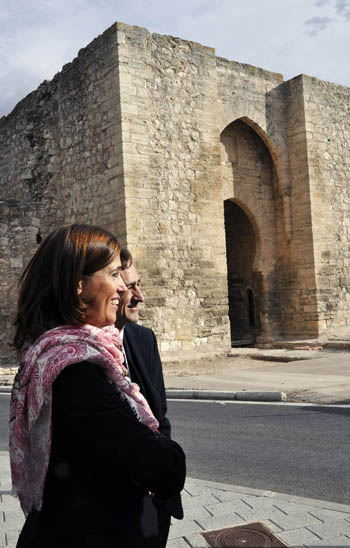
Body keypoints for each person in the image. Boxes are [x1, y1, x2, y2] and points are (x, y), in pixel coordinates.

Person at [9, 224, 186, 548]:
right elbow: (165, 467)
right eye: (114, 274)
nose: (124, 288)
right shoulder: (76, 373)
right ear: (80, 286)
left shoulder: (53, 354)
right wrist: (168, 454)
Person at [115, 250, 183, 547]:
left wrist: (162, 489)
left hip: (155, 506)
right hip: (111, 512)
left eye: (137, 285)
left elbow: (161, 417)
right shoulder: (75, 355)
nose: (139, 297)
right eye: (130, 287)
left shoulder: (144, 339)